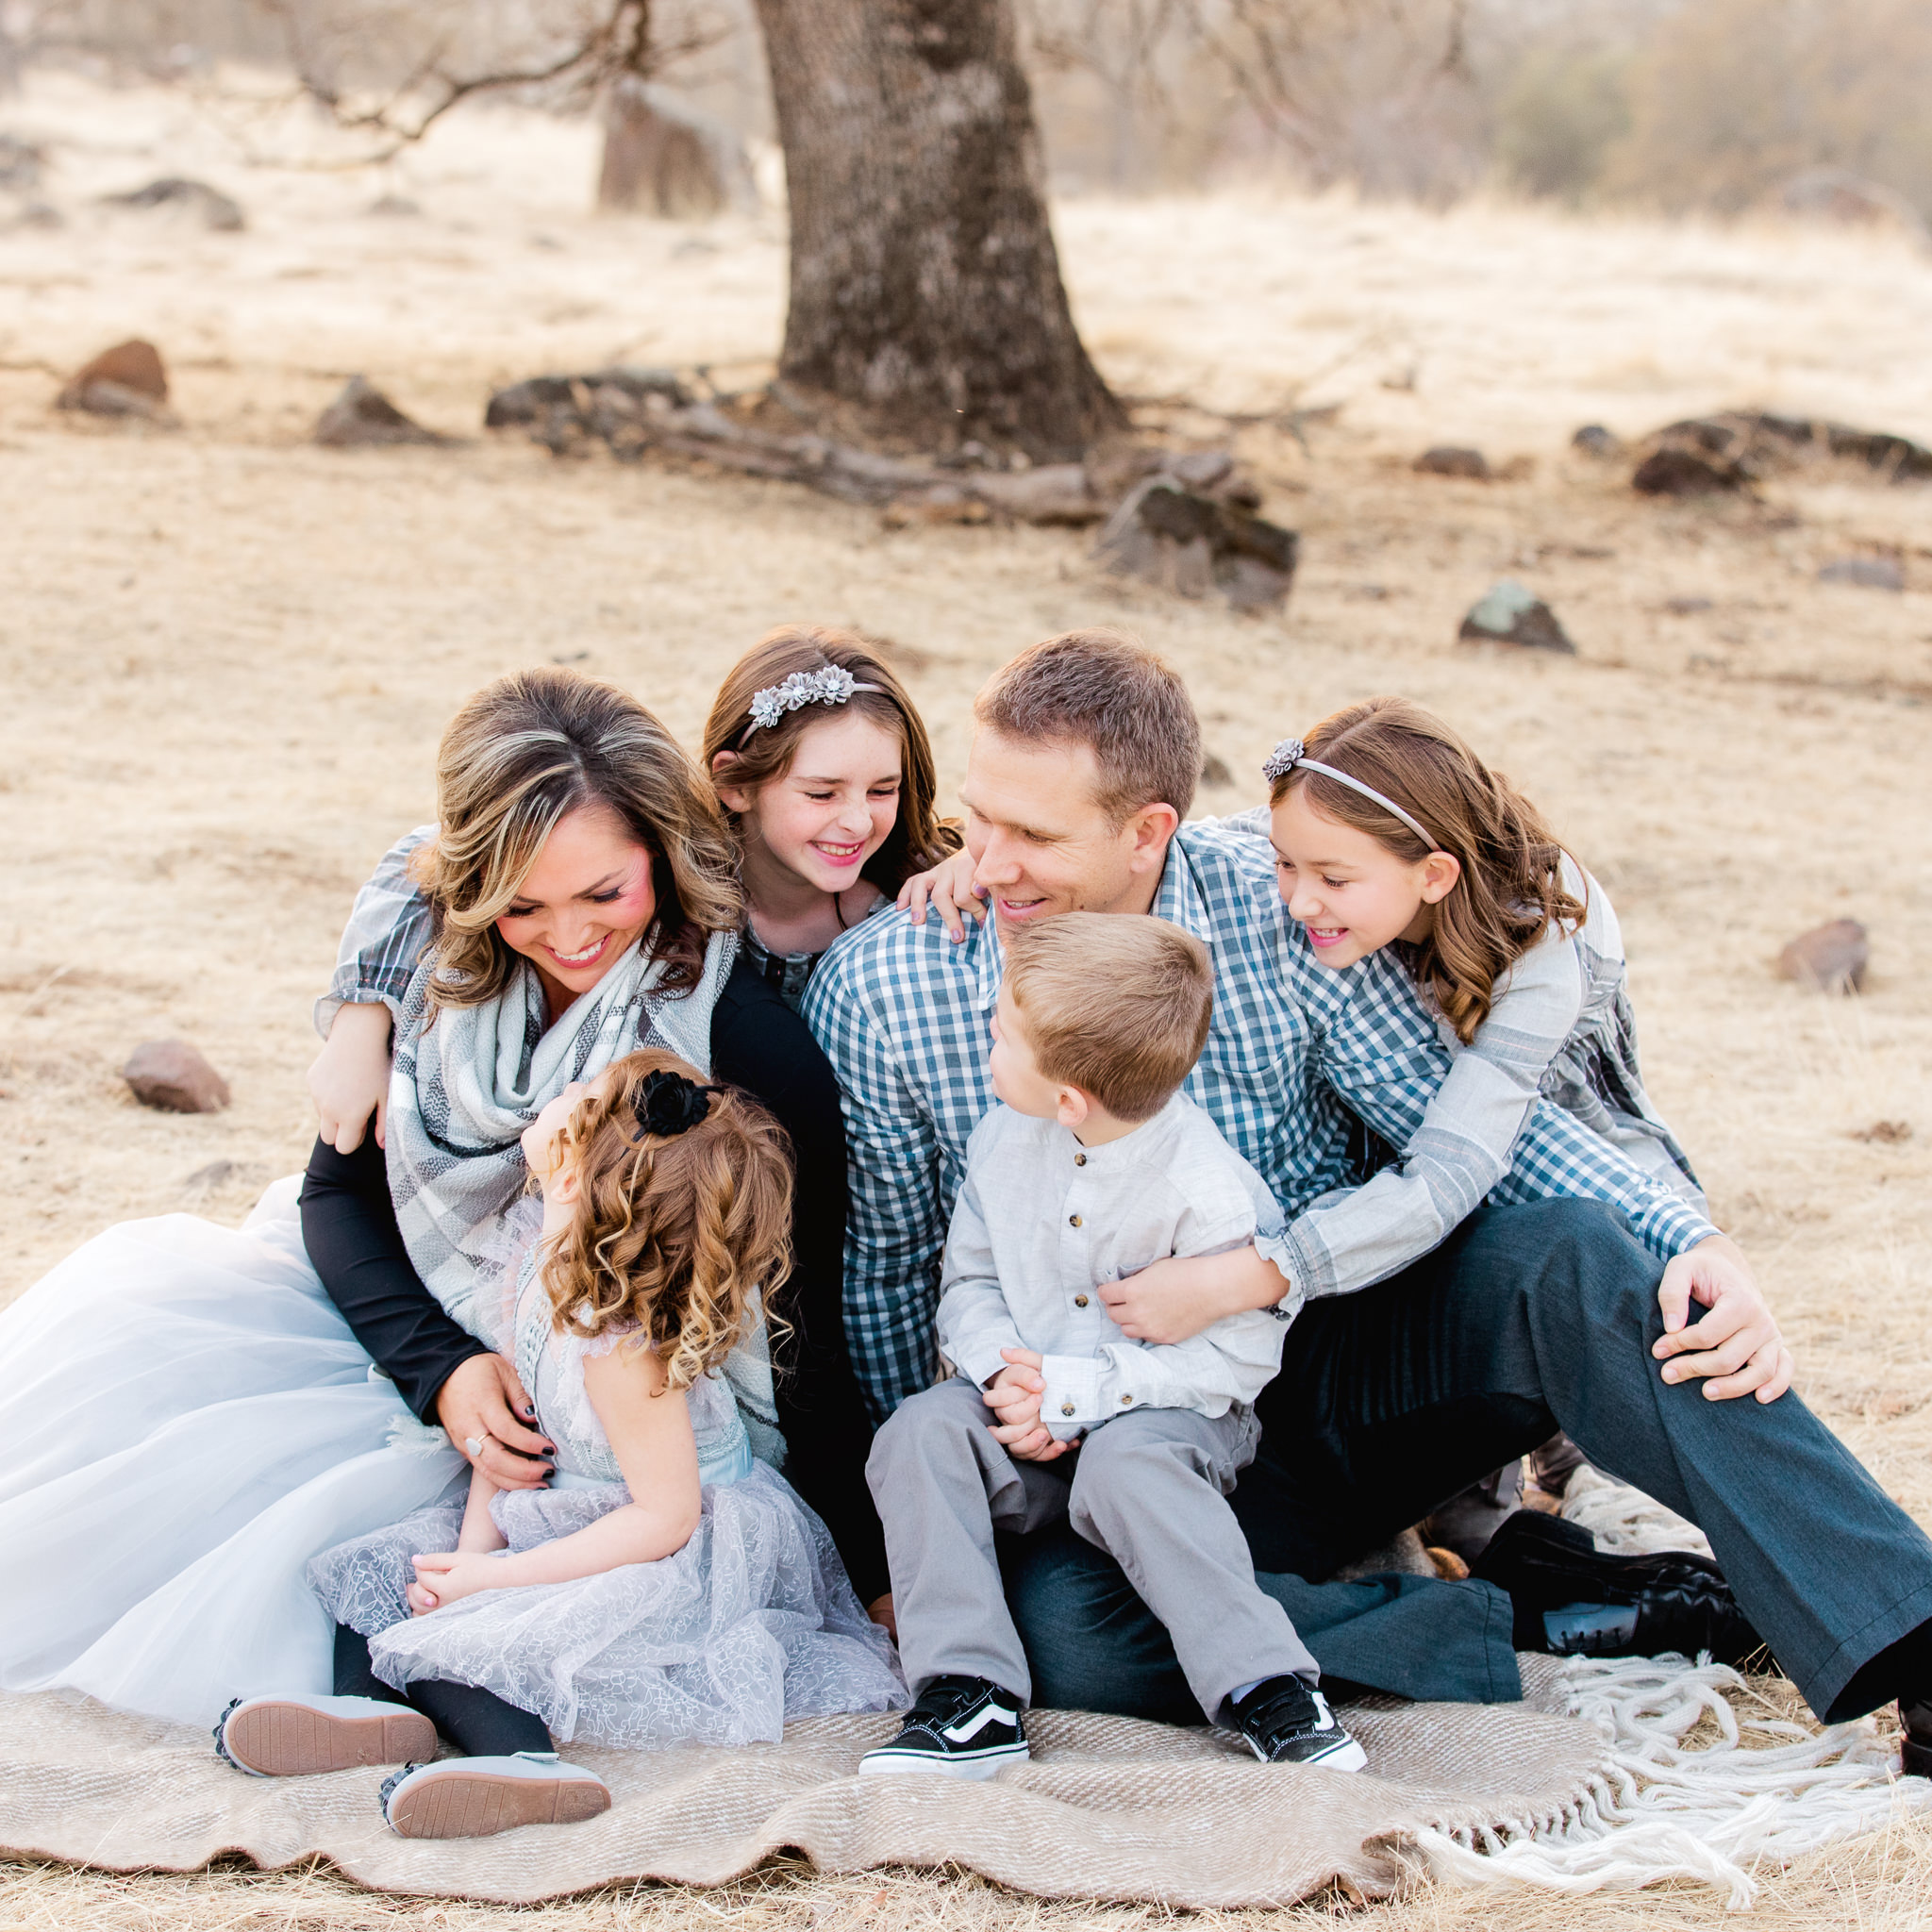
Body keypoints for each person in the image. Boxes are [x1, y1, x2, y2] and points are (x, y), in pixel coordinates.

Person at [805, 627, 1932, 1758]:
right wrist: (922, 1542)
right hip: (1112, 1437)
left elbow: (1471, 1126)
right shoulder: (895, 979)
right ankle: (1532, 1607)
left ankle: (1911, 1638)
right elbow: (892, 1272)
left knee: (1573, 1254)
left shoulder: (1282, 905)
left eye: (1032, 834)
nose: (985, 859)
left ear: (1149, 829)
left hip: (1336, 1364)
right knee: (1068, 1641)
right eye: (978, 817)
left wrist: (1694, 1236)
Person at [0, 668, 880, 1729]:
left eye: (605, 893)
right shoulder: (430, 971)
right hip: (429, 1316)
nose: (567, 934)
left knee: (408, 1537)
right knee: (144, 1380)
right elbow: (341, 1200)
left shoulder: (736, 1043)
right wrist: (444, 1370)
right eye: (522, 904)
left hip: (618, 1397)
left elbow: (802, 1322)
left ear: (663, 850)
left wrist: (870, 1571)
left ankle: (462, 1729)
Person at [221, 1053, 902, 1838]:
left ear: (572, 1176)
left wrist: (500, 1577)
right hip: (561, 1504)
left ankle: (523, 1763)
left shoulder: (621, 1348)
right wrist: (473, 1555)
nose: (563, 1090)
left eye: (579, 1097)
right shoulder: (536, 1258)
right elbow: (518, 1431)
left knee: (494, 1640)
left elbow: (666, 1517)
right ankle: (368, 1714)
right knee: (383, 1579)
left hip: (666, 1551)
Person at [861, 916, 1364, 1778]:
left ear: (1068, 1100)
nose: (986, 1033)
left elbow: (1237, 1362)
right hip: (1025, 1414)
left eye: (1001, 1033)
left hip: (1170, 1420)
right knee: (918, 1433)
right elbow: (971, 1286)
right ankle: (969, 1695)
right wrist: (1006, 1378)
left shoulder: (1205, 1195)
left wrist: (1079, 1394)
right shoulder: (1000, 1143)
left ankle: (1269, 1686)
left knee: (1126, 1462)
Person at [703, 625, 960, 1011]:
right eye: (822, 794)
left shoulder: (929, 895)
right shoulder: (686, 907)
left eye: (882, 790)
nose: (859, 823)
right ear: (736, 785)